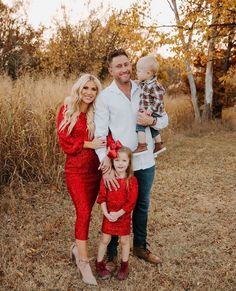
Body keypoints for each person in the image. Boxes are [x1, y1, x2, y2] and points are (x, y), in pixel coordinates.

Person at [94, 49, 169, 270]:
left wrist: (151, 121)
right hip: (120, 164)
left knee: (142, 204)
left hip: (145, 159)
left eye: (127, 64)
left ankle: (139, 247)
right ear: (110, 70)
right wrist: (105, 163)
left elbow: (164, 119)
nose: (125, 69)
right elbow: (100, 134)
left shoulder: (144, 87)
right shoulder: (105, 97)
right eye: (119, 66)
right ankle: (111, 252)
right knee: (117, 203)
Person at [56, 74, 106, 286]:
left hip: (95, 171)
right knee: (83, 212)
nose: (88, 92)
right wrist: (89, 144)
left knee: (88, 212)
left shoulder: (99, 112)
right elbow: (65, 142)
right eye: (85, 88)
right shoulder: (66, 109)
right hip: (76, 171)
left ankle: (77, 248)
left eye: (93, 89)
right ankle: (83, 262)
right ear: (79, 88)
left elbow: (106, 138)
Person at [95, 146, 138, 280]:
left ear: (129, 163)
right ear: (112, 162)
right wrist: (106, 213)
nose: (120, 163)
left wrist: (118, 214)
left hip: (123, 216)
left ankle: (124, 265)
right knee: (105, 239)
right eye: (117, 160)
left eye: (124, 160)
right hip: (109, 215)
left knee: (125, 241)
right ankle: (99, 263)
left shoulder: (131, 181)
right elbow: (102, 197)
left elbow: (131, 202)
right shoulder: (106, 179)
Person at [133, 55, 166, 156]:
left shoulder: (154, 85)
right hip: (151, 111)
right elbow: (145, 88)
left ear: (148, 73)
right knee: (152, 128)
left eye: (139, 71)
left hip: (153, 111)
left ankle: (142, 145)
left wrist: (151, 110)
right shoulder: (146, 82)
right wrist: (139, 82)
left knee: (140, 125)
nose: (136, 73)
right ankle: (158, 144)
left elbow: (159, 98)